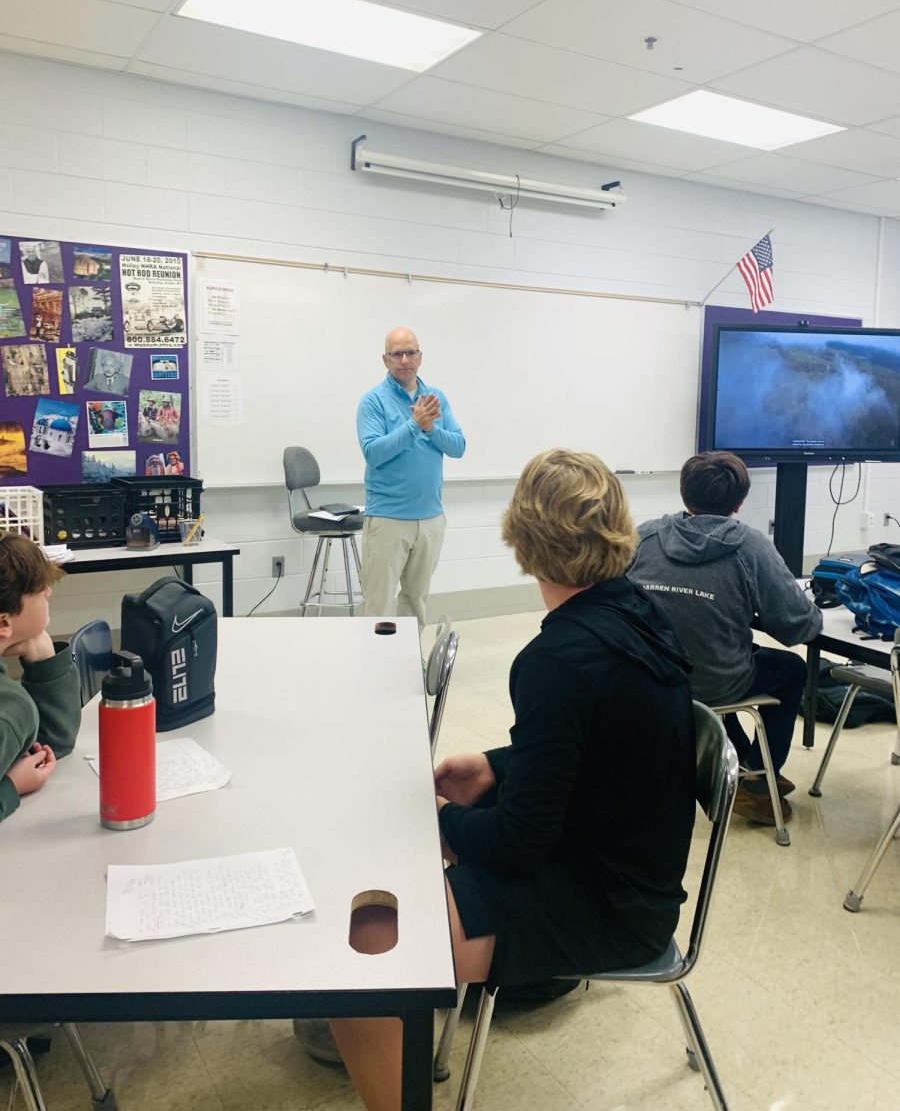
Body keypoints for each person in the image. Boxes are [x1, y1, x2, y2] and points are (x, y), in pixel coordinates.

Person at [328, 449, 697, 1111]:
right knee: (405, 890)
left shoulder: (555, 658)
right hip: (635, 876)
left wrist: (433, 822)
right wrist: (499, 766)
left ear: (522, 543)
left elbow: (521, 841)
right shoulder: (636, 611)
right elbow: (603, 740)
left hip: (608, 905)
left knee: (360, 968)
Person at [627, 450, 823, 826]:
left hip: (649, 678)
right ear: (740, 501)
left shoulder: (643, 537)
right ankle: (757, 781)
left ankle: (741, 767)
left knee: (724, 655)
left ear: (684, 492)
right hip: (716, 682)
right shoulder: (751, 546)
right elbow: (799, 627)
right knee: (789, 668)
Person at [356, 327, 465, 630]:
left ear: (420, 356)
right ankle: (374, 670)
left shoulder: (435, 398)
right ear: (385, 359)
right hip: (388, 518)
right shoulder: (373, 401)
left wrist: (431, 429)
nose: (404, 360)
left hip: (430, 517)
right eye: (396, 354)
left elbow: (458, 446)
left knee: (416, 602)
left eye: (411, 352)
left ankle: (407, 666)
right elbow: (374, 452)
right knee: (379, 605)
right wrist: (415, 425)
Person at [0, 531, 81, 825]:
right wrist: (11, 788)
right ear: (4, 623)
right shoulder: (10, 709)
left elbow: (50, 744)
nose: (48, 592)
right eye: (38, 588)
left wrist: (42, 651)